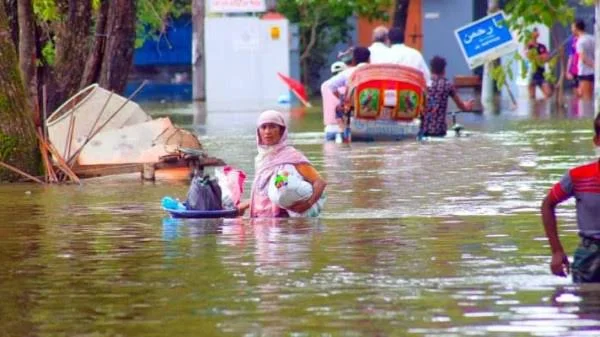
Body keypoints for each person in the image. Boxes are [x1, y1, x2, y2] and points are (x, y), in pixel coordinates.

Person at [541, 113, 600, 283]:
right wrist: (556, 251)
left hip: (588, 257)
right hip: (590, 257)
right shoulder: (579, 176)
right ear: (597, 141)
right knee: (587, 306)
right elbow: (547, 204)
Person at [237, 110, 327, 218]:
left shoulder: (292, 157)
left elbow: (319, 182)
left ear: (281, 131)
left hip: (284, 222)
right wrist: (244, 206)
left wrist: (308, 204)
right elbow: (265, 194)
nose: (267, 132)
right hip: (262, 221)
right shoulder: (261, 159)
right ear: (258, 132)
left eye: (272, 127)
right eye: (263, 127)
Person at [421, 56, 474, 137]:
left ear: (431, 70)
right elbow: (461, 106)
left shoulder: (424, 84)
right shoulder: (447, 85)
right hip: (439, 131)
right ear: (444, 70)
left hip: (423, 130)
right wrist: (468, 106)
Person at [325, 47, 371, 138]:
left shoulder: (348, 73)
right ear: (369, 59)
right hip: (374, 111)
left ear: (354, 59)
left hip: (354, 113)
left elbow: (330, 85)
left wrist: (342, 98)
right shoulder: (377, 71)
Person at [526, 28, 553, 99]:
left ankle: (544, 107)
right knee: (531, 97)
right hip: (531, 72)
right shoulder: (528, 45)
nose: (537, 33)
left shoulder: (542, 46)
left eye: (537, 31)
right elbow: (529, 56)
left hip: (541, 72)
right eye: (535, 31)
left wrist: (538, 57)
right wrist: (540, 57)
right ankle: (533, 108)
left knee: (548, 93)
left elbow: (547, 58)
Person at [572, 19, 595, 100]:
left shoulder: (580, 41)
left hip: (585, 73)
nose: (572, 30)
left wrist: (595, 66)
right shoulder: (592, 38)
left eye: (572, 27)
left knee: (586, 99)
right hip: (593, 72)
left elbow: (583, 59)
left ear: (576, 28)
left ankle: (585, 112)